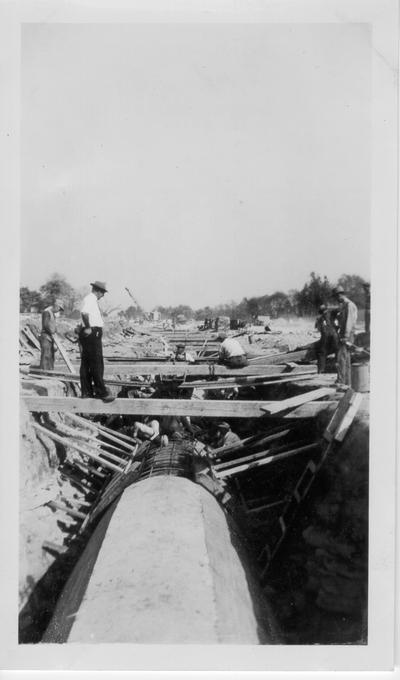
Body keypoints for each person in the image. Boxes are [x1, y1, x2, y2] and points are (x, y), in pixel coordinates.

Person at [79, 281, 115, 402]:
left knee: (86, 363)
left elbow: (84, 314)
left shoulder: (89, 299)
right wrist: (88, 327)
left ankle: (86, 391)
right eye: (103, 293)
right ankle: (101, 392)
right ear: (98, 291)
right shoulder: (91, 299)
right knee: (96, 363)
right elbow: (84, 313)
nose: (103, 295)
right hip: (93, 333)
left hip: (90, 333)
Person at [332, 285, 358, 386]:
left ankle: (341, 381)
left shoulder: (349, 305)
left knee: (341, 358)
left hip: (347, 334)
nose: (335, 300)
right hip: (344, 333)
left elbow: (349, 322)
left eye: (335, 297)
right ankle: (347, 382)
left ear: (339, 295)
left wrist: (345, 336)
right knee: (345, 358)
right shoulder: (344, 305)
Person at [39, 299, 64, 370]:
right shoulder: (47, 312)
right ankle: (43, 373)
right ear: (56, 306)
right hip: (46, 336)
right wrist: (52, 332)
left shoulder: (52, 314)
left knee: (51, 355)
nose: (59, 311)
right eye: (59, 308)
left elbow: (52, 325)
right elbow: (46, 324)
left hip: (50, 336)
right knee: (46, 355)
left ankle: (50, 371)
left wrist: (55, 333)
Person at [314, 304, 339, 374]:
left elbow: (318, 328)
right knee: (337, 350)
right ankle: (338, 367)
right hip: (333, 335)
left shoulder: (319, 318)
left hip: (325, 336)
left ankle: (321, 369)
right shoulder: (331, 313)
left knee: (322, 352)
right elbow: (338, 309)